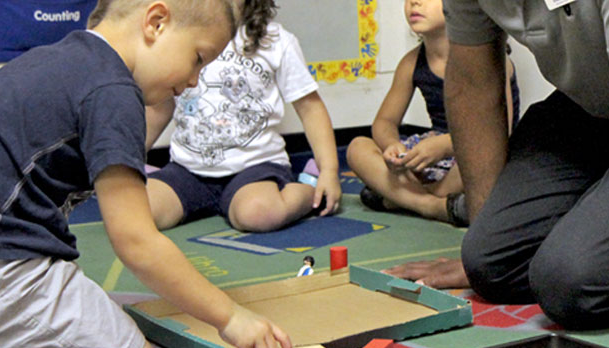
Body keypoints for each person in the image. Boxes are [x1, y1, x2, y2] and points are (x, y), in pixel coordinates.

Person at [0, 0, 294, 348]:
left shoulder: (56, 57)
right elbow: (136, 243)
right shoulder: (113, 92)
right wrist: (231, 318)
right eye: (198, 59)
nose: (193, 82)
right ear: (156, 22)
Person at [390, 1, 609, 330]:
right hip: (587, 108)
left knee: (570, 283)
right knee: (491, 265)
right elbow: (472, 83)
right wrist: (480, 243)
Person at [144, 0, 341, 234]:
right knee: (138, 211)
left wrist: (328, 170)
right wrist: (130, 156)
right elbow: (161, 105)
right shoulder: (183, 36)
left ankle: (309, 185)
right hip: (187, 169)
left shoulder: (276, 41)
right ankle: (155, 178)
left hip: (254, 168)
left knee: (258, 214)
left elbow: (310, 108)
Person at [346, 0, 518, 226]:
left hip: (474, 151)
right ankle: (434, 205)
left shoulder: (494, 62)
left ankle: (398, 198)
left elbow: (499, 132)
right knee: (357, 147)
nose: (414, 3)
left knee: (478, 168)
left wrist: (446, 146)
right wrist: (391, 145)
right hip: (429, 153)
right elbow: (385, 121)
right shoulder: (411, 62)